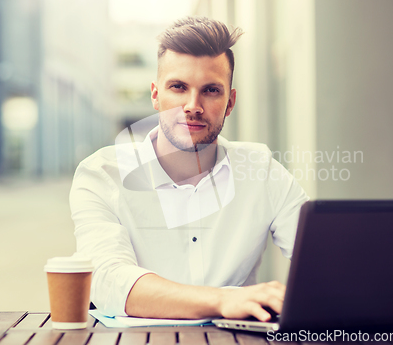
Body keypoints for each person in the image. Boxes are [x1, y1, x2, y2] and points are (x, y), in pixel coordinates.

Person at [70, 16, 309, 322]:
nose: (192, 105)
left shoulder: (261, 171)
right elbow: (107, 281)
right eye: (179, 87)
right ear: (156, 95)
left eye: (210, 90)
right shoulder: (101, 174)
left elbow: (327, 263)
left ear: (230, 102)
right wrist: (223, 299)